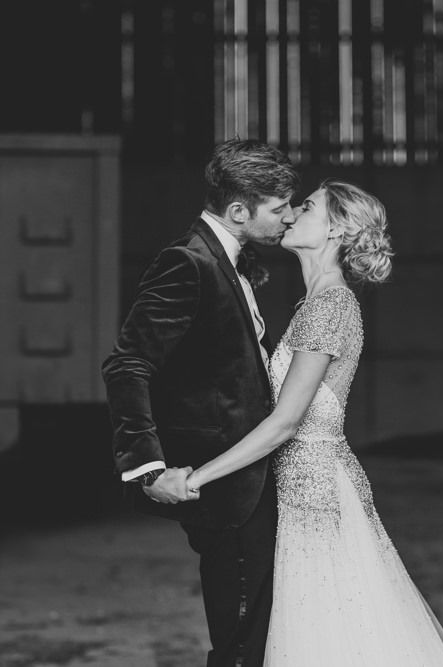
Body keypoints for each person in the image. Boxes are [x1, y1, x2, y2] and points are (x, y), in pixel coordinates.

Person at [182, 181, 443, 666]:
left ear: (335, 228)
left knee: (326, 627)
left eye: (307, 206)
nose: (292, 213)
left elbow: (285, 423)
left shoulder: (328, 306)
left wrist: (197, 478)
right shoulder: (318, 303)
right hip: (301, 485)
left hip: (312, 492)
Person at [101, 138, 299, 667]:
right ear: (238, 211)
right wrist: (147, 468)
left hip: (251, 475)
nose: (288, 218)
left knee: (252, 632)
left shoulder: (231, 258)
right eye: (278, 209)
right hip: (226, 483)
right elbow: (128, 364)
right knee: (238, 637)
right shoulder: (187, 263)